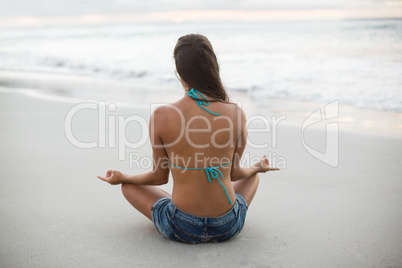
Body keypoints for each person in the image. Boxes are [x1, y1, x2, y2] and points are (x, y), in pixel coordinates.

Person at [97, 34, 279, 243]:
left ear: (179, 71)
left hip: (181, 226)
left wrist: (124, 177)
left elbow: (159, 177)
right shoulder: (236, 113)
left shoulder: (161, 115)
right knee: (252, 176)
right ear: (213, 68)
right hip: (228, 226)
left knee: (128, 186)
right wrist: (257, 167)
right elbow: (235, 174)